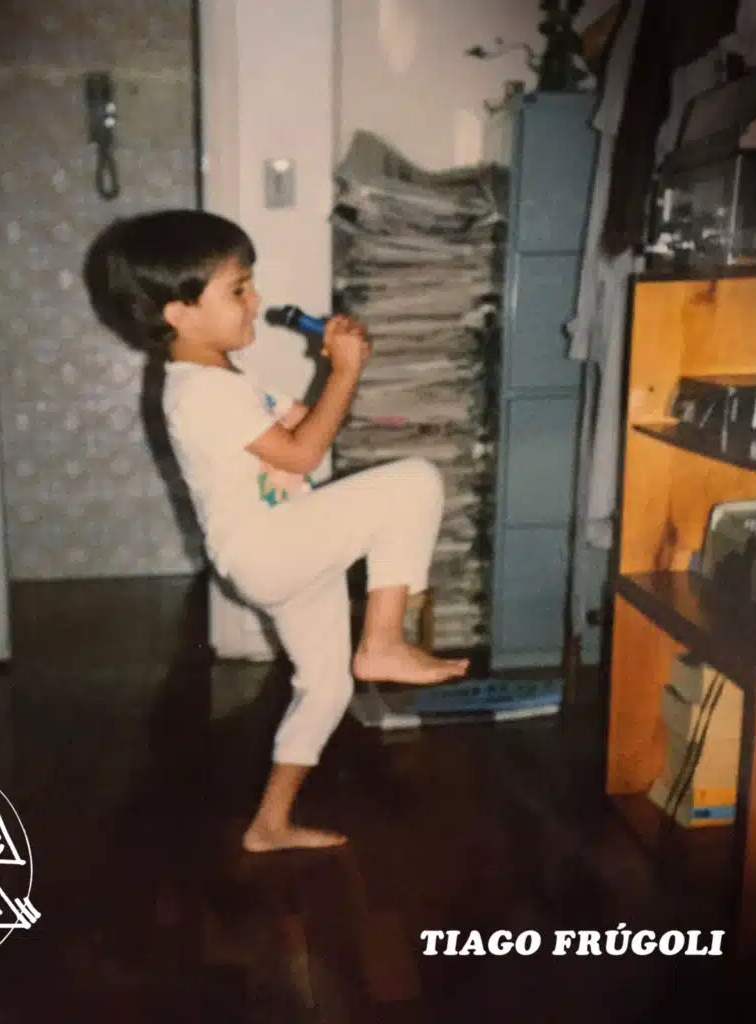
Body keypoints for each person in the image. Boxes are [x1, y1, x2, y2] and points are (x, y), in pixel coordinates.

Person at [85, 209, 468, 853]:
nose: (256, 302)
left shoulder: (228, 380)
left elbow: (310, 429)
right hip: (270, 546)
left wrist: (341, 365)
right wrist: (344, 373)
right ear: (180, 313)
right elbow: (304, 454)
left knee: (326, 685)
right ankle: (382, 641)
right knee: (416, 481)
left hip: (284, 550)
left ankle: (270, 824)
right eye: (238, 290)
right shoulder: (199, 392)